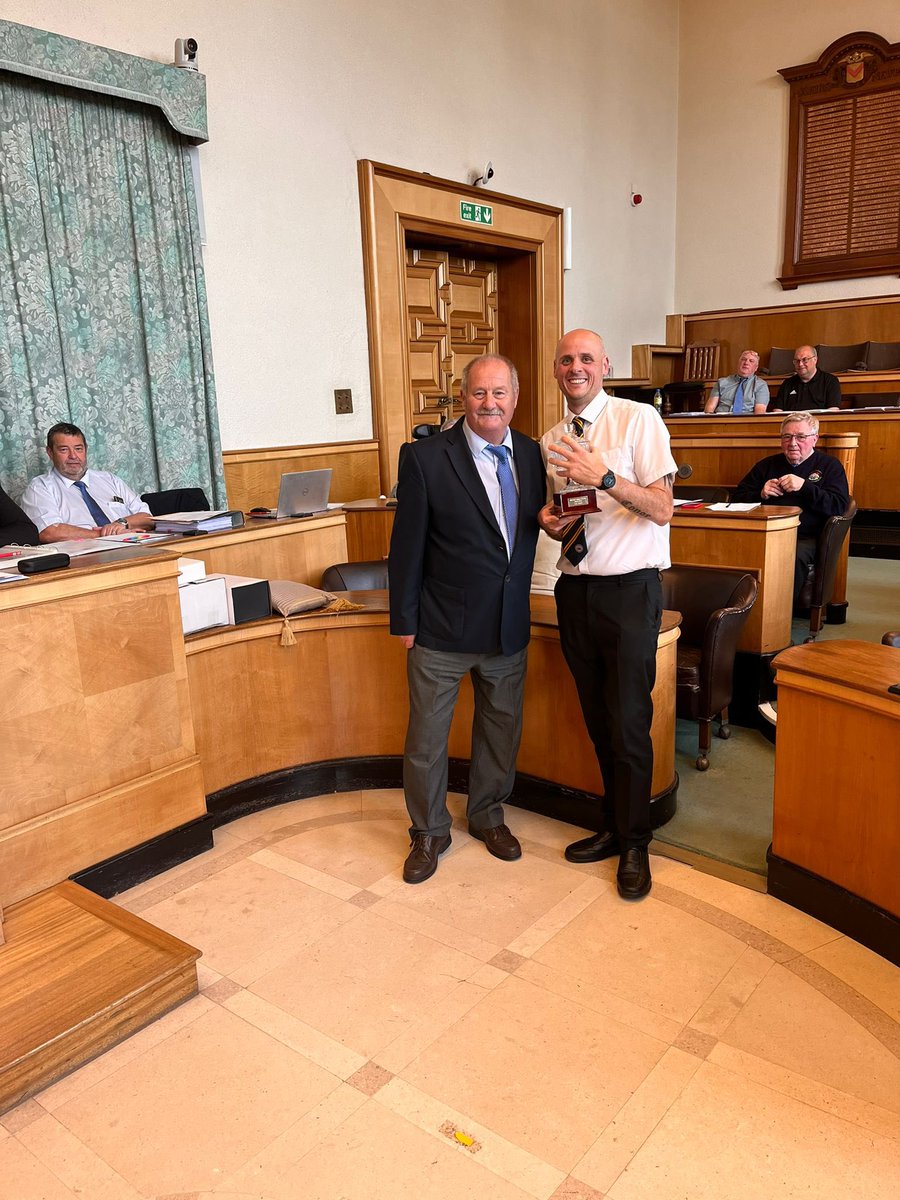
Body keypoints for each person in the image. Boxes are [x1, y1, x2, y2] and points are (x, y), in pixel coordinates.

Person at [388, 355, 545, 884]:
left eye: (499, 393)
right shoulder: (426, 458)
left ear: (515, 398)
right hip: (439, 629)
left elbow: (540, 526)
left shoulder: (530, 453)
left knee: (501, 730)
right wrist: (404, 622)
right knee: (428, 740)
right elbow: (406, 549)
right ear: (464, 398)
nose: (489, 403)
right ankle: (429, 832)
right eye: (479, 393)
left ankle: (487, 815)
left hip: (507, 627)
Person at [538, 329, 677, 901]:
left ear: (605, 366)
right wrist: (553, 524)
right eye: (567, 360)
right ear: (556, 370)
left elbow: (663, 508)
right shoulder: (550, 438)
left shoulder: (638, 420)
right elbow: (575, 516)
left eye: (586, 359)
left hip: (629, 593)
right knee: (597, 718)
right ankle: (614, 827)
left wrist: (608, 478)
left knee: (627, 722)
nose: (577, 367)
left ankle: (636, 842)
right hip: (575, 592)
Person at [730, 412, 849, 603]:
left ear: (814, 439)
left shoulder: (829, 466)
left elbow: (839, 506)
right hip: (762, 532)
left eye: (800, 437)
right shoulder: (766, 465)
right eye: (787, 437)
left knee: (791, 557)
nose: (793, 443)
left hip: (803, 536)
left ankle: (779, 613)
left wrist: (805, 487)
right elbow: (736, 500)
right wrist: (760, 493)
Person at [20, 423, 155, 542]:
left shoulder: (110, 479)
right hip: (86, 557)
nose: (73, 456)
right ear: (50, 452)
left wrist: (122, 523)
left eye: (78, 449)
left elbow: (147, 518)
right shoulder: (40, 487)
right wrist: (105, 535)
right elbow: (48, 532)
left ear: (86, 449)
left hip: (132, 544)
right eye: (64, 450)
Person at [771, 346, 841, 412]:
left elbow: (833, 411)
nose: (800, 364)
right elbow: (778, 412)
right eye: (797, 361)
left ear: (815, 360)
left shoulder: (831, 381)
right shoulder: (787, 384)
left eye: (805, 360)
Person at [704, 349, 770, 414]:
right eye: (743, 359)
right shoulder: (721, 382)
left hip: (746, 422)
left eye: (751, 361)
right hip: (722, 420)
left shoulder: (761, 385)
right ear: (738, 363)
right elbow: (709, 409)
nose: (746, 363)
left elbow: (759, 413)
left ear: (756, 368)